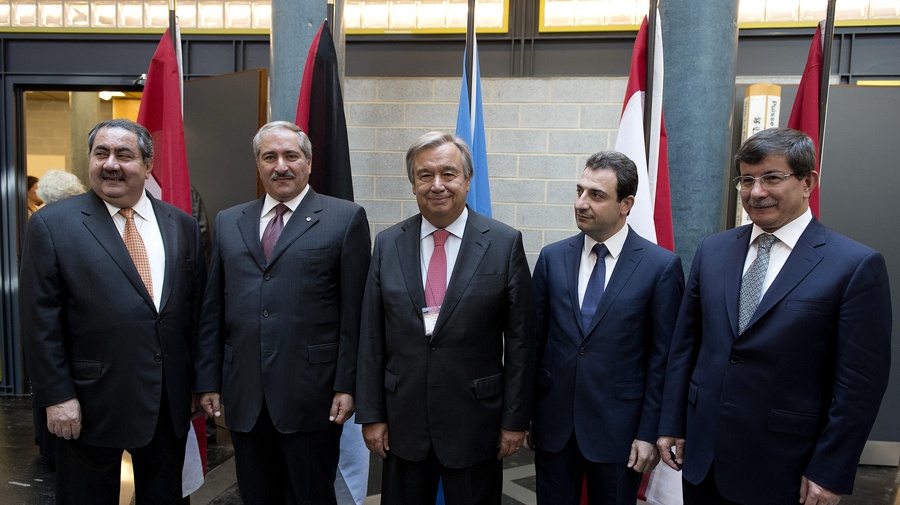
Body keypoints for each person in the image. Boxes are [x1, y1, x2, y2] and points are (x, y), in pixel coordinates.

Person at [657, 128, 892, 505]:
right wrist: (672, 423)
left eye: (771, 178)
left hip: (785, 469)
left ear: (807, 182)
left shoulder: (854, 266)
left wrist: (830, 470)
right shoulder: (713, 250)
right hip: (703, 458)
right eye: (746, 180)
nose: (756, 192)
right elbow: (686, 346)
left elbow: (859, 387)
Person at [19, 118, 208, 504]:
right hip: (87, 407)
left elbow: (197, 312)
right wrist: (57, 396)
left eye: (124, 154)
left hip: (166, 405)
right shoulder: (52, 226)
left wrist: (198, 383)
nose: (111, 163)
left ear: (148, 164)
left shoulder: (182, 226)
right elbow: (40, 321)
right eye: (101, 153)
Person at [356, 131, 535, 505]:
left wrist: (515, 419)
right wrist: (371, 414)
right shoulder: (388, 243)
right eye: (425, 175)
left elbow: (521, 342)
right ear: (413, 184)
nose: (437, 185)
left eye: (448, 174)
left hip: (476, 423)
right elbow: (372, 335)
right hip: (403, 421)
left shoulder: (503, 243)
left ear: (468, 180)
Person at [196, 121, 371, 505]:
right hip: (245, 395)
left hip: (314, 396)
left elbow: (357, 314)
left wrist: (348, 384)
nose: (281, 166)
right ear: (257, 165)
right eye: (269, 156)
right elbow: (214, 307)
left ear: (308, 162)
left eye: (291, 155)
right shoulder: (230, 221)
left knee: (310, 496)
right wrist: (208, 379)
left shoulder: (345, 218)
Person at [530, 151, 684, 505]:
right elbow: (535, 344)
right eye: (580, 191)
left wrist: (649, 432)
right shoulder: (552, 258)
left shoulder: (660, 267)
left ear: (626, 203)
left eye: (596, 195)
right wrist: (524, 416)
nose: (581, 203)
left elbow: (664, 360)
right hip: (554, 428)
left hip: (620, 432)